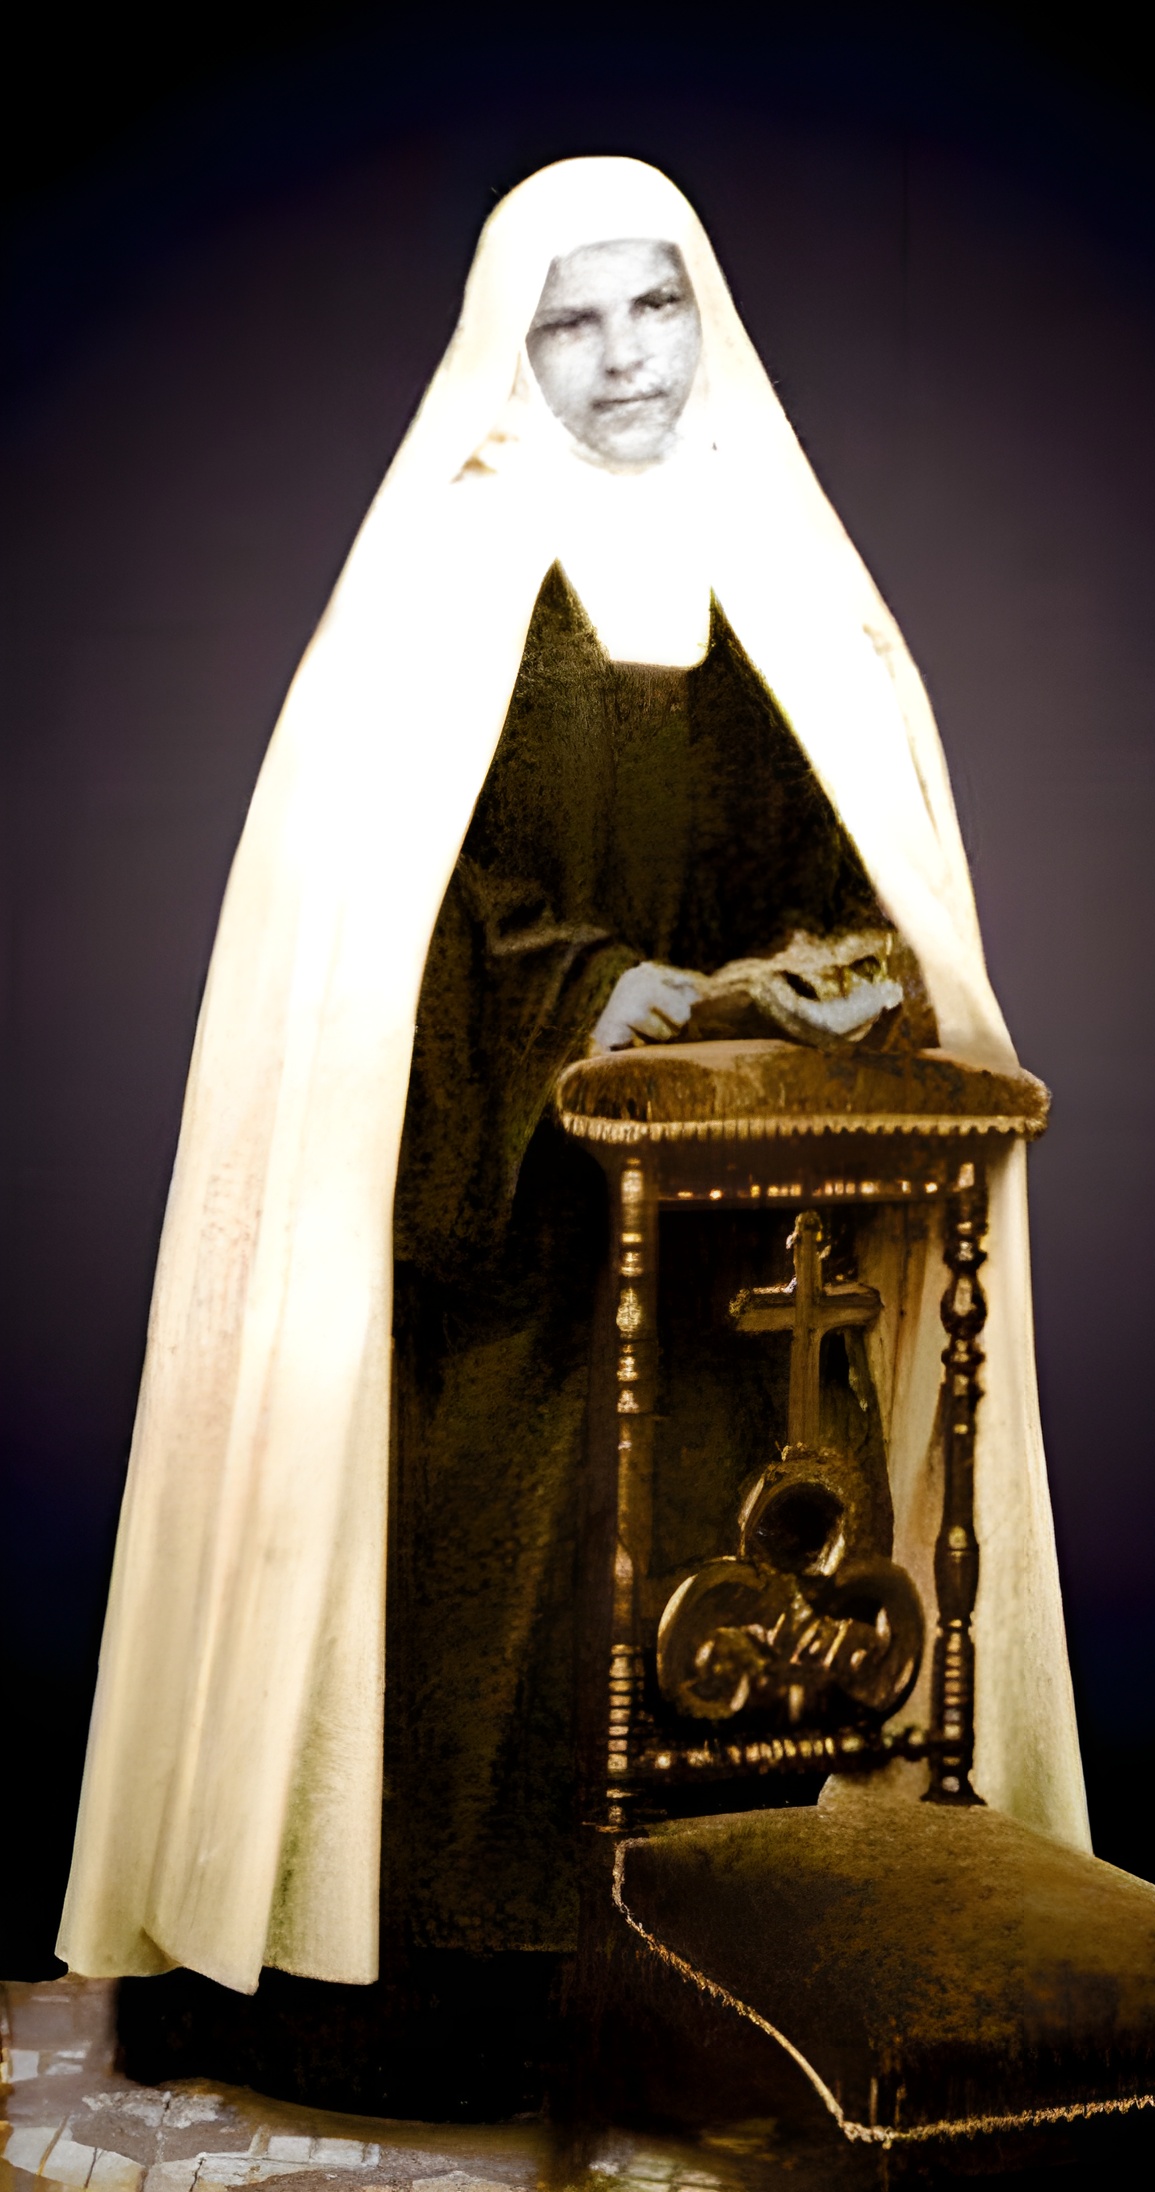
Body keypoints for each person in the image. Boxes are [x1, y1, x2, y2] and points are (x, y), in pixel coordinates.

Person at [57, 156, 1088, 2106]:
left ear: (708, 321)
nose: (623, 356)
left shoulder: (787, 574)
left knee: (732, 1569)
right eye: (572, 319)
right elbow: (394, 907)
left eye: (656, 305)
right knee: (502, 1599)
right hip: (502, 1223)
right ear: (508, 350)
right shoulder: (442, 581)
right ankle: (460, 2007)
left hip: (731, 1229)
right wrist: (584, 989)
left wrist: (839, 965)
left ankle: (732, 1986)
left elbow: (845, 852)